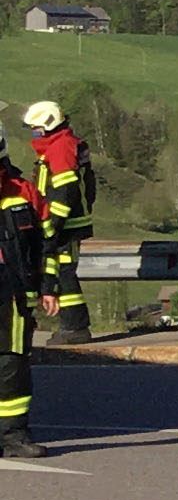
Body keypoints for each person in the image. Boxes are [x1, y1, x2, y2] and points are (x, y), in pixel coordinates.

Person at [0, 140, 55, 456]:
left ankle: (13, 436)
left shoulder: (24, 192)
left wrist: (49, 287)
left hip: (13, 295)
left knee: (12, 364)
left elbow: (46, 244)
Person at [23, 100, 93, 340]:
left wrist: (52, 224)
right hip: (64, 223)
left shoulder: (60, 147)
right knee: (59, 270)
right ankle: (71, 326)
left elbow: (65, 193)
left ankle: (75, 328)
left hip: (65, 225)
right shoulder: (61, 144)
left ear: (48, 126)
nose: (34, 135)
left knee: (65, 272)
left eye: (36, 130)